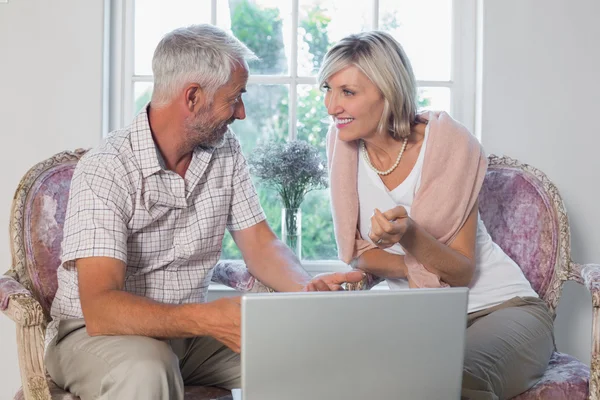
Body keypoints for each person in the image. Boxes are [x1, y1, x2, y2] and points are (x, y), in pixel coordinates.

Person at [44, 24, 363, 400]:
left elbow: (260, 244)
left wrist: (305, 290)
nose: (241, 112)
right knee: (148, 367)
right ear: (193, 97)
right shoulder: (107, 167)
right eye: (235, 97)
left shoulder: (225, 150)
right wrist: (205, 318)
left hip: (186, 333)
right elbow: (100, 309)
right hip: (94, 335)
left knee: (315, 348)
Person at [319, 31, 554, 400]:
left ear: (387, 90)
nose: (332, 106)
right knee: (341, 373)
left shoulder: (448, 145)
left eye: (347, 92)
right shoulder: (342, 146)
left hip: (499, 307)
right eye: (327, 90)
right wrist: (409, 265)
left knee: (447, 381)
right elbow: (357, 250)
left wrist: (407, 236)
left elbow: (460, 271)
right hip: (419, 314)